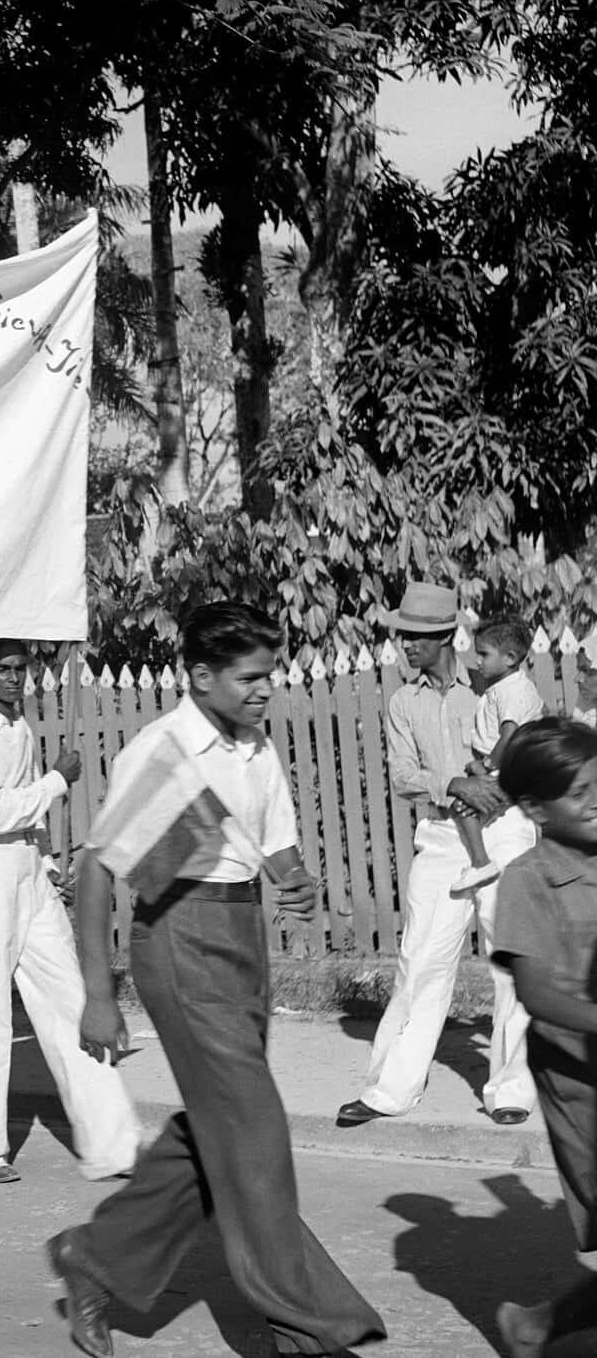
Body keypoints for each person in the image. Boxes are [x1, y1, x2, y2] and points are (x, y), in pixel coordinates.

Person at [48, 602, 385, 1358]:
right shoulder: (163, 750)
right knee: (256, 1133)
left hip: (241, 937)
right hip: (178, 943)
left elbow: (278, 850)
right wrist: (99, 998)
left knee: (218, 1128)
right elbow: (98, 872)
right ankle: (305, 1326)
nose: (268, 689)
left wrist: (298, 885)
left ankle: (95, 1260)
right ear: (199, 675)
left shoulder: (255, 746)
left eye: (273, 674)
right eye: (251, 676)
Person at [0, 641, 137, 1184]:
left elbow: (27, 813)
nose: (14, 679)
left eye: (20, 670)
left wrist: (47, 862)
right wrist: (58, 779)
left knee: (72, 998)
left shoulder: (19, 729)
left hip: (26, 873)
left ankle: (112, 1143)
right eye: (2, 670)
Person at [337, 581, 537, 1128]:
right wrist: (453, 782)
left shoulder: (493, 687)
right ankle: (390, 1087)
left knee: (510, 958)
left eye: (418, 638)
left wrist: (502, 784)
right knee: (420, 958)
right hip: (443, 835)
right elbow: (403, 777)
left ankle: (510, 1088)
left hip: (504, 827)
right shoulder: (404, 702)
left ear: (448, 635)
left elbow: (529, 743)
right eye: (403, 637)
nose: (407, 647)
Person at [490, 718, 597, 1358]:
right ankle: (537, 1327)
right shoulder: (527, 879)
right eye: (581, 792)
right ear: (534, 807)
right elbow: (537, 994)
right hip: (581, 1083)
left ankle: (534, 1327)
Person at [452, 615, 543, 895]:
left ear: (510, 658)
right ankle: (482, 860)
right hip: (507, 765)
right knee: (472, 806)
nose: (477, 661)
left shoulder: (514, 691)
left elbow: (510, 734)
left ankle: (481, 863)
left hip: (507, 764)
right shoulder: (504, 687)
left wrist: (488, 763)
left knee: (463, 806)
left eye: (483, 654)